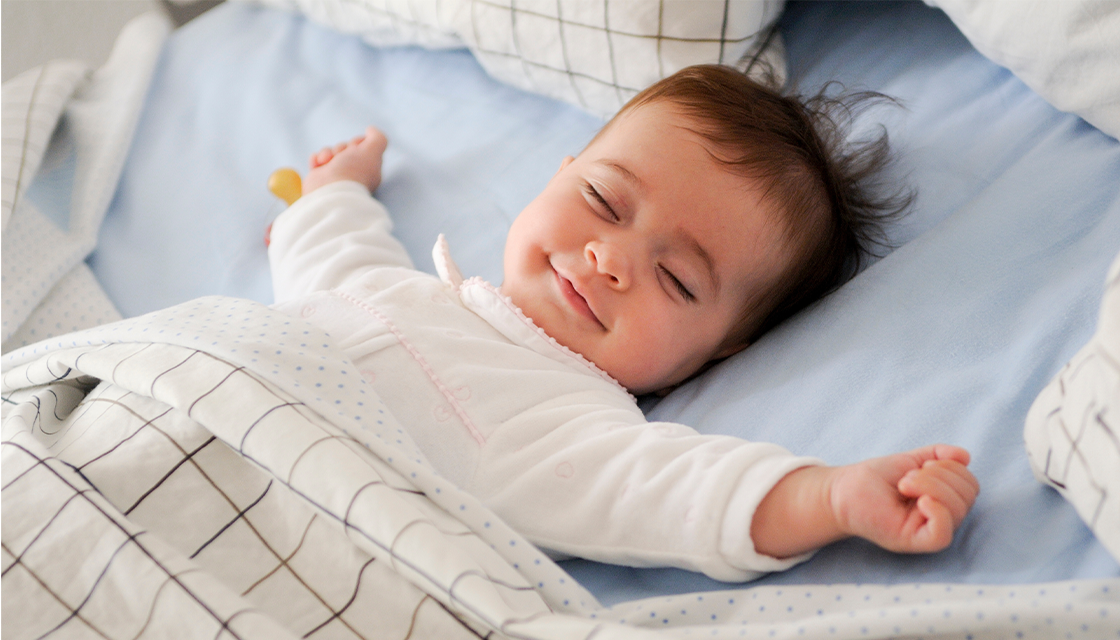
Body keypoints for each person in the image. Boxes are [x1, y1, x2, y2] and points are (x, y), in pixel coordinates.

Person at [268, 65, 979, 581]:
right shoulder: (389, 289)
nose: (609, 259)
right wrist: (335, 192)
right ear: (561, 171)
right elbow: (335, 254)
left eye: (675, 279)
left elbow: (673, 493)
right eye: (604, 200)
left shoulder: (563, 423)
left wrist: (830, 497)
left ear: (725, 349)